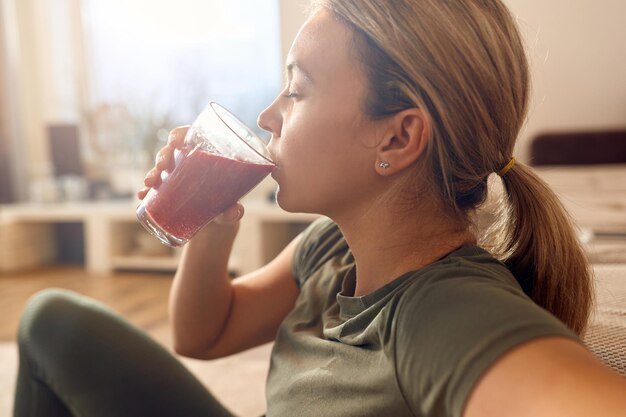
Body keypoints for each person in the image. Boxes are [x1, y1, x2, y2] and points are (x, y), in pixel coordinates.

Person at [14, 0, 626, 416]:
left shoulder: (444, 311)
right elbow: (203, 334)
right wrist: (211, 218)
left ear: (396, 138)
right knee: (52, 322)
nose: (267, 115)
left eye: (297, 88)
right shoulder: (333, 248)